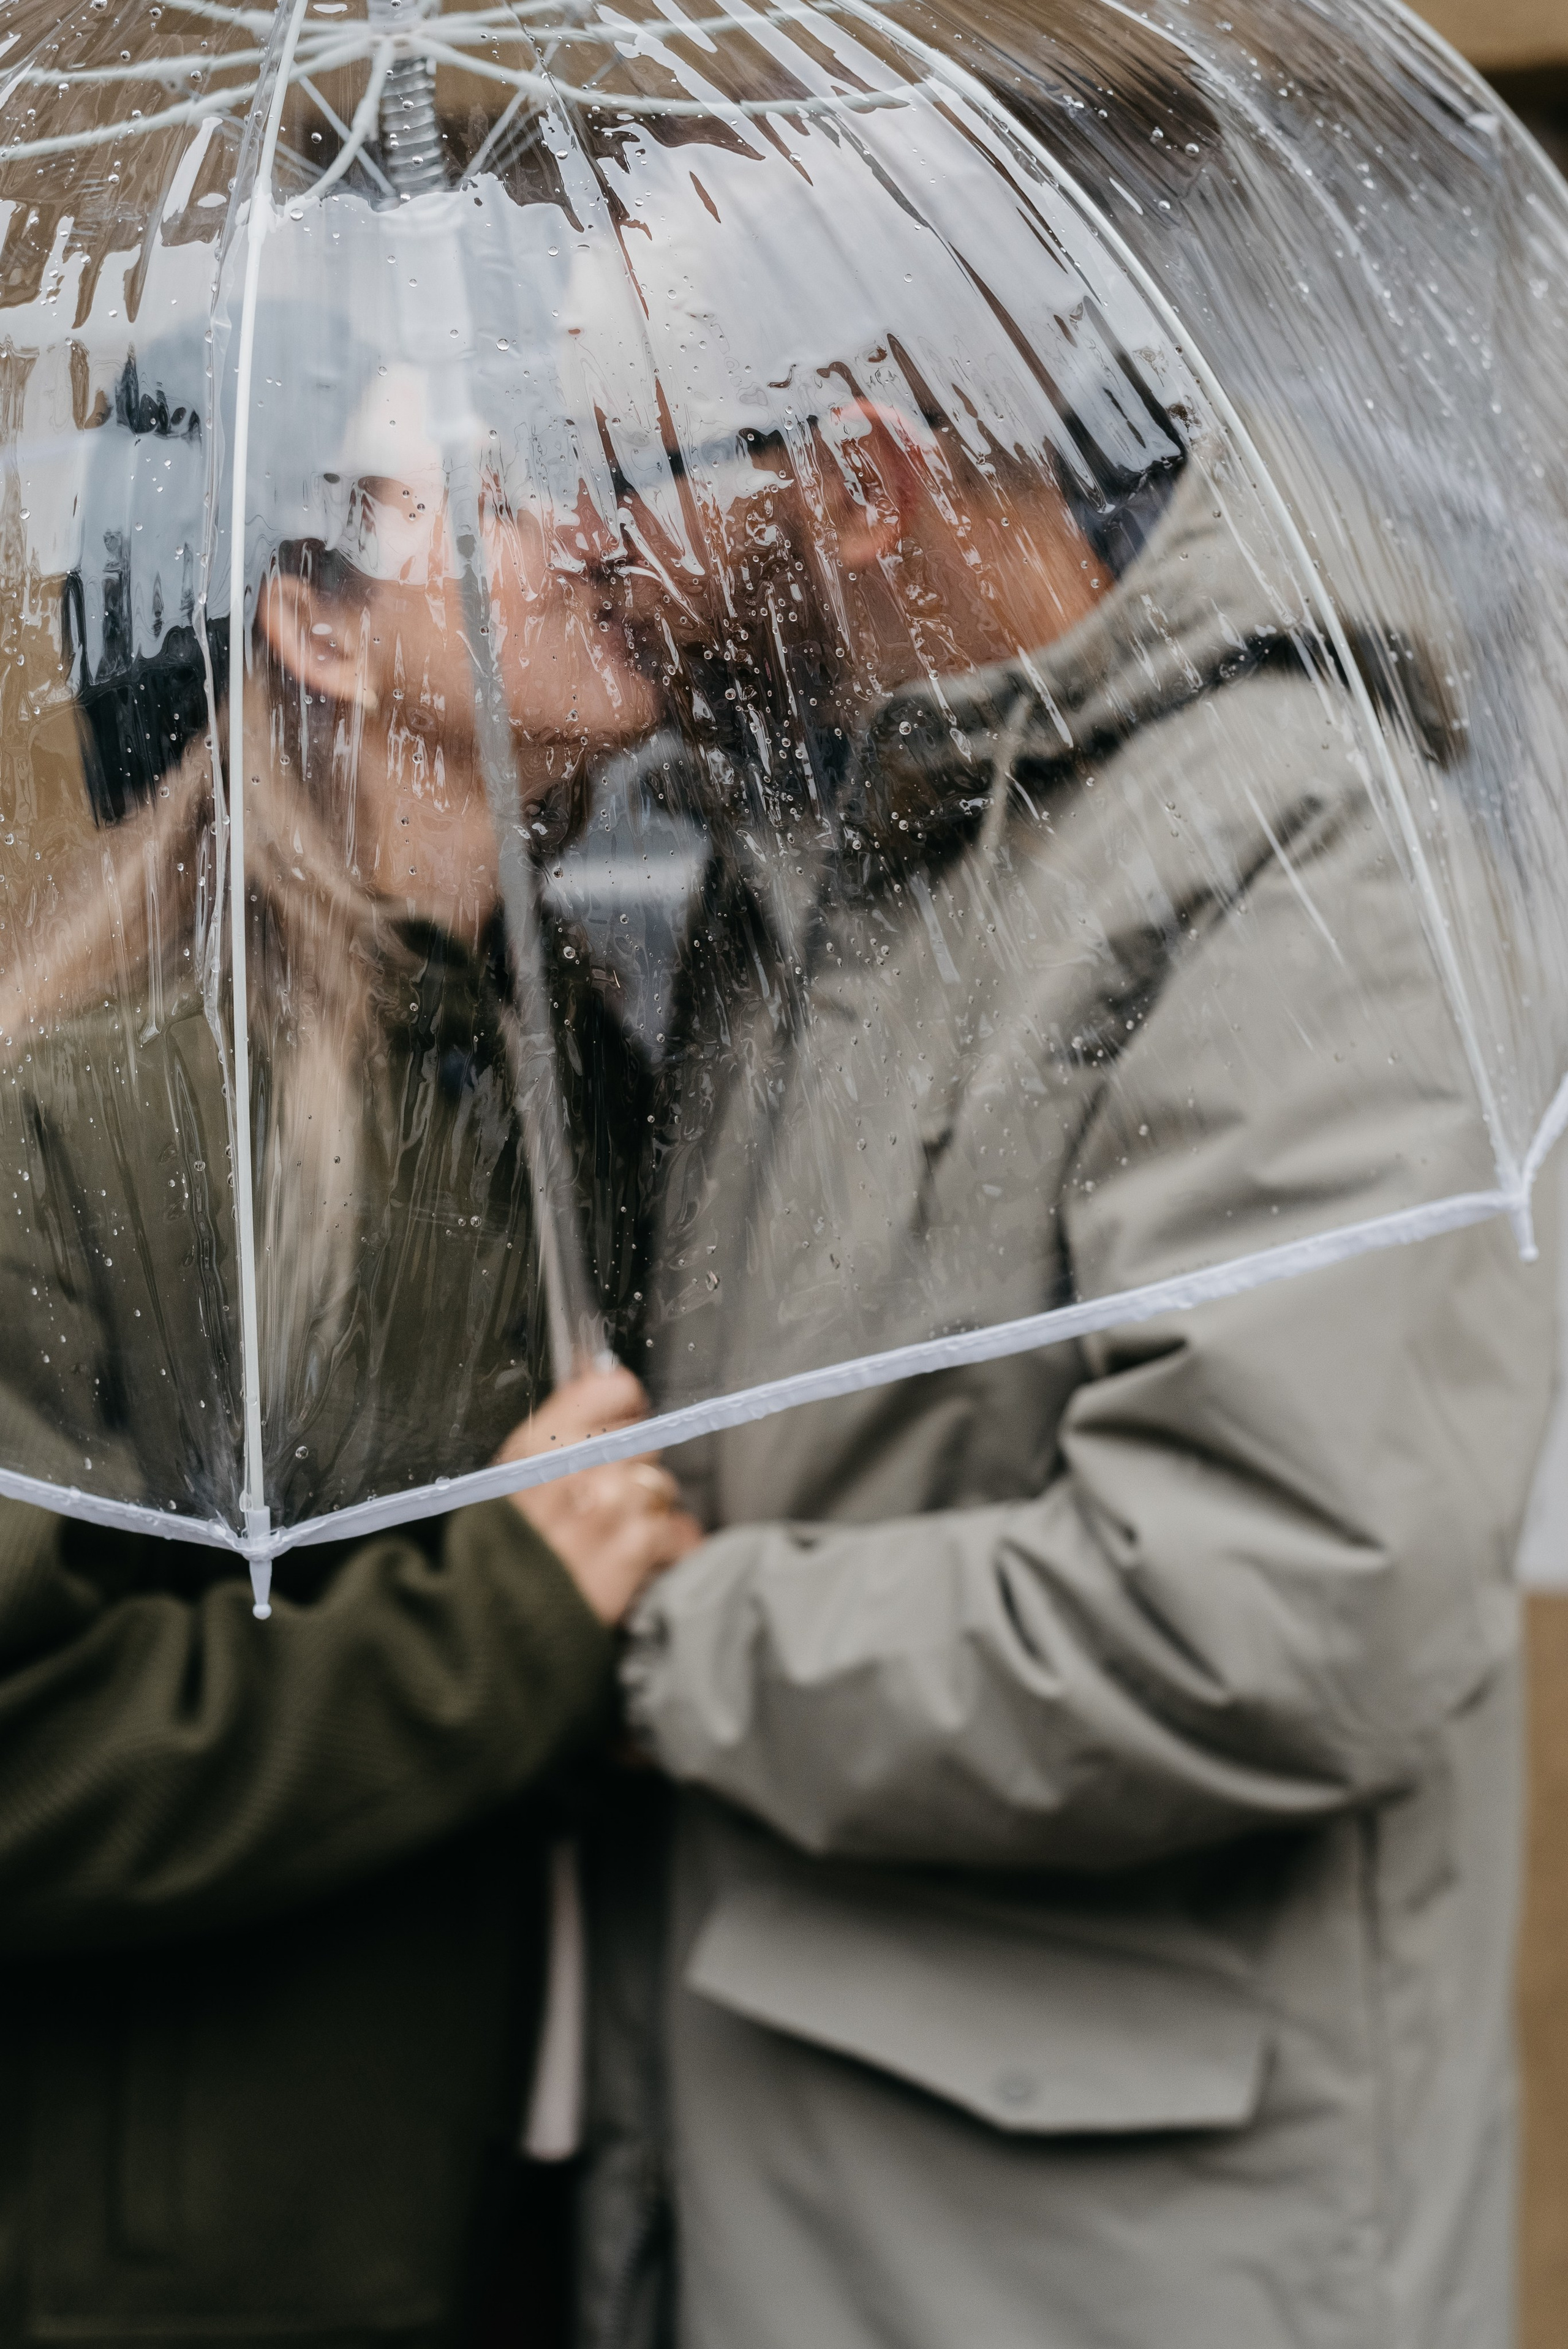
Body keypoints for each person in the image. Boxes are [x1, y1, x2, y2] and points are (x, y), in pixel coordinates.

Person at [575, 394, 1556, 2348]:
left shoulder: (1298, 847)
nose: (585, 538)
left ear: (860, 478)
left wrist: (655, 1640)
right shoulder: (809, 843)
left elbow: (1280, 1605)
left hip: (1107, 2247)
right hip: (795, 2161)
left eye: (627, 467)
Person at [0, 346, 698, 2346]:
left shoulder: (583, 1092)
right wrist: (500, 1625)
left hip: (555, 2214)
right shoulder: (81, 1125)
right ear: (313, 620)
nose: (584, 524)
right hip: (212, 2274)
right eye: (484, 494)